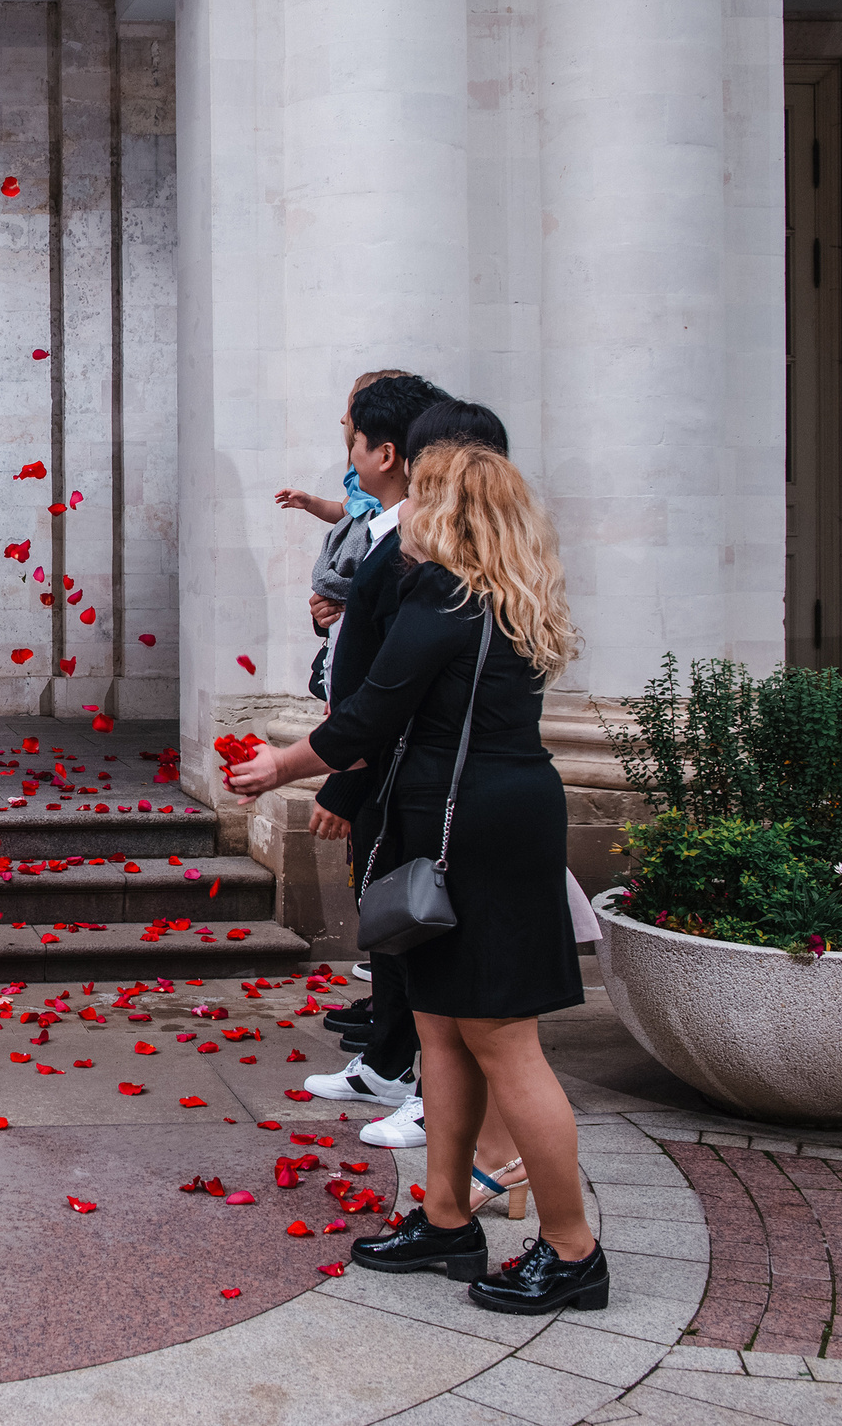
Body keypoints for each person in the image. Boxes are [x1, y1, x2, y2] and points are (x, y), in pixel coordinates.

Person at [230, 440, 603, 1316]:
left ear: (450, 513)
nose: (398, 519)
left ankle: (573, 1246)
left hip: (473, 826)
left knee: (504, 1040)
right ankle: (444, 1218)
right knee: (440, 1025)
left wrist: (279, 766)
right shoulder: (499, 596)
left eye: (420, 500)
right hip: (477, 814)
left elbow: (371, 711)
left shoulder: (447, 597)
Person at [293, 371, 448, 1122]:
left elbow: (391, 691)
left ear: (386, 451)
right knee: (382, 913)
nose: (347, 454)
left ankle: (423, 1081)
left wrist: (336, 781)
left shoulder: (418, 550)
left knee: (405, 922)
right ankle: (389, 1060)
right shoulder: (386, 539)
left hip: (395, 772)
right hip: (375, 763)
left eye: (354, 440)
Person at [276, 368, 404, 702]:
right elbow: (345, 512)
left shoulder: (407, 536)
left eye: (352, 414)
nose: (342, 420)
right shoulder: (360, 486)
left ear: (387, 454)